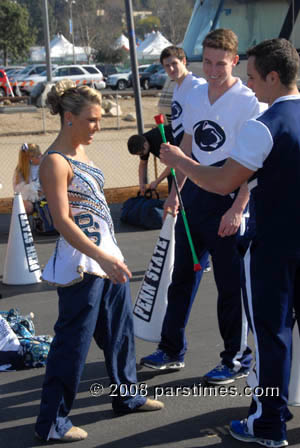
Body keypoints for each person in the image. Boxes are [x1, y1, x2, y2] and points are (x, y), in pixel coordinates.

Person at [160, 37, 300, 448]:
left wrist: (178, 161)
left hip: (274, 247)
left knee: (272, 336)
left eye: (254, 77)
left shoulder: (265, 125)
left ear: (273, 77)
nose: (250, 84)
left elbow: (223, 181)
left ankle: (267, 422)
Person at [35, 80, 164, 443]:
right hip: (82, 265)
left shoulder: (81, 154)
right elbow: (62, 222)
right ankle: (51, 423)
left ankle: (127, 396)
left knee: (120, 334)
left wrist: (110, 257)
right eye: (92, 120)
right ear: (69, 118)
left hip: (107, 259)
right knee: (72, 345)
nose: (98, 126)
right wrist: (102, 258)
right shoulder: (55, 162)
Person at [140, 29, 263, 384]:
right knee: (181, 277)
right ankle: (172, 348)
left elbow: (254, 164)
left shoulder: (249, 102)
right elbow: (189, 147)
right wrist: (176, 191)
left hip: (228, 201)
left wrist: (239, 207)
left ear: (235, 62)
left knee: (229, 287)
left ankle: (236, 358)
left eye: (220, 64)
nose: (212, 70)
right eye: (207, 62)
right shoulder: (194, 93)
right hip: (194, 197)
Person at [127, 124, 174, 194]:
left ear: (145, 145)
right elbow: (143, 163)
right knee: (171, 177)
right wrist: (142, 184)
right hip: (175, 162)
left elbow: (173, 165)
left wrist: (157, 181)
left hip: (187, 149)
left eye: (141, 154)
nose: (141, 156)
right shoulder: (142, 141)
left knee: (175, 177)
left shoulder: (160, 142)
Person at [13, 142, 41, 214]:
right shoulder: (21, 170)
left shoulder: (43, 165)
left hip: (42, 196)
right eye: (37, 156)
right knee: (27, 207)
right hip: (28, 198)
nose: (40, 157)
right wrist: (33, 189)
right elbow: (18, 189)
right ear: (29, 159)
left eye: (40, 154)